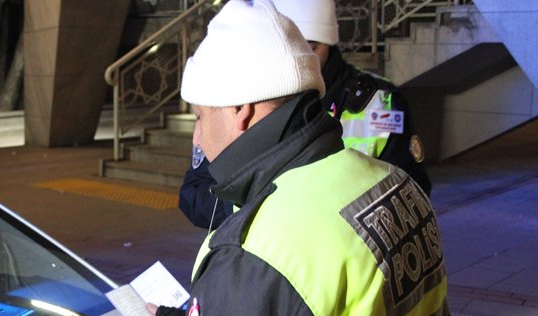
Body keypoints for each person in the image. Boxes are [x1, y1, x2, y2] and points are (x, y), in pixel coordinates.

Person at [24, 0, 452, 316]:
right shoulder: (390, 184)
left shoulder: (263, 249)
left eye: (199, 116)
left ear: (240, 109)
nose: (197, 136)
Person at [179, 0, 433, 230]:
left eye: (311, 47)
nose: (301, 58)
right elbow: (194, 194)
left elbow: (411, 196)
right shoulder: (243, 104)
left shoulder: (381, 103)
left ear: (329, 42)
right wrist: (254, 207)